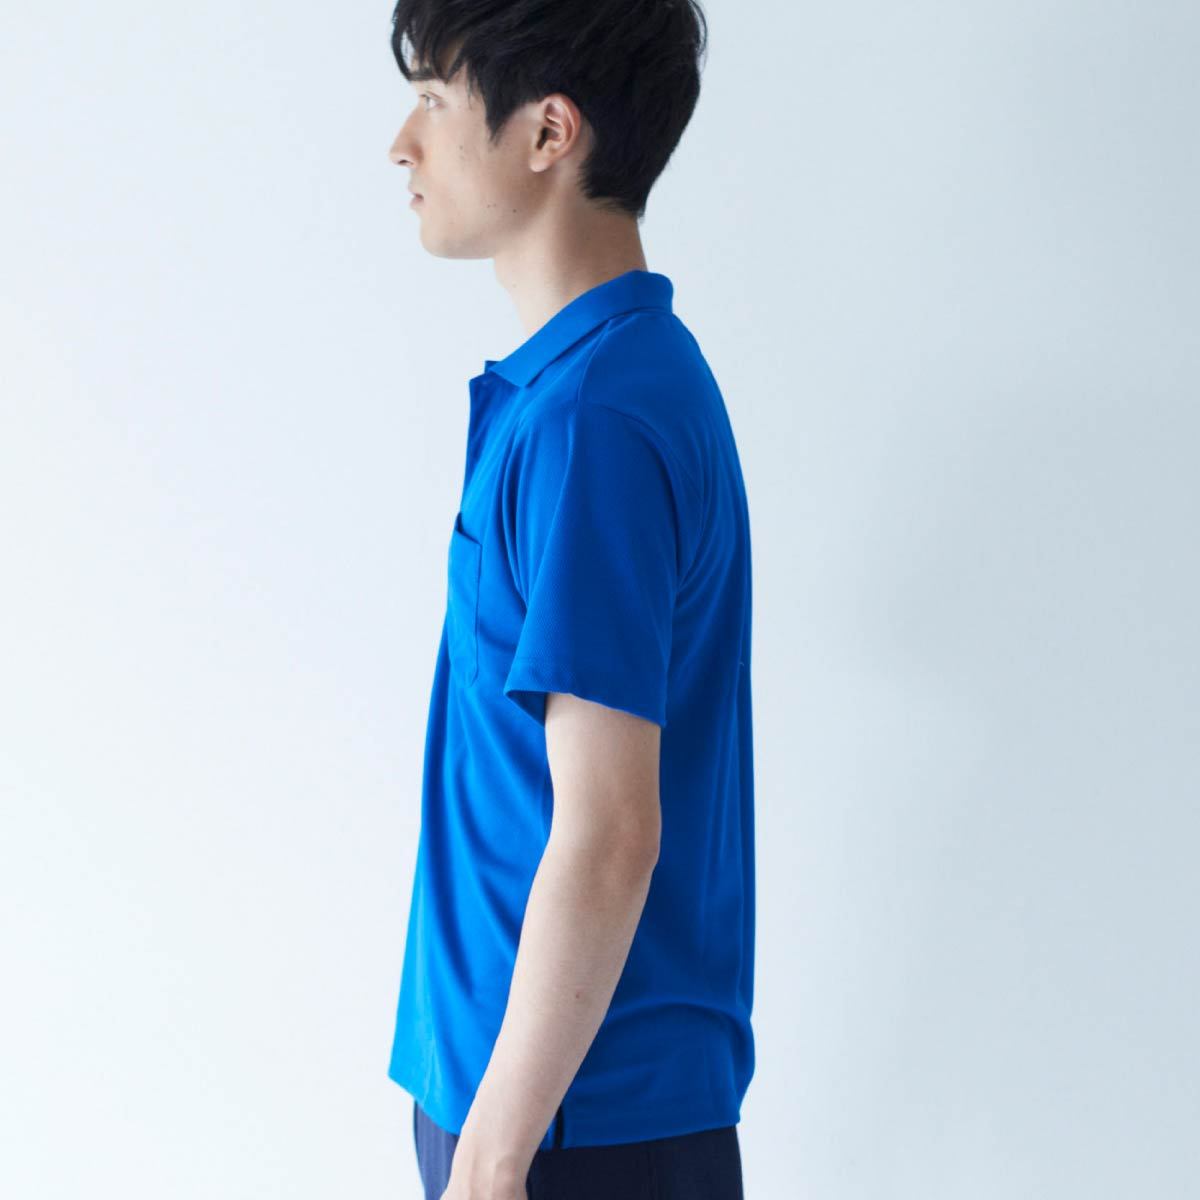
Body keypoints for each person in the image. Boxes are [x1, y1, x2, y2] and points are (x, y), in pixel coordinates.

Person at [384, 3, 753, 1197]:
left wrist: (494, 1158)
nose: (402, 143)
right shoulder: (592, 386)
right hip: (530, 1100)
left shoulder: (594, 420)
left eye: (435, 101)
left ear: (549, 132)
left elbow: (608, 830)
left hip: (565, 1125)